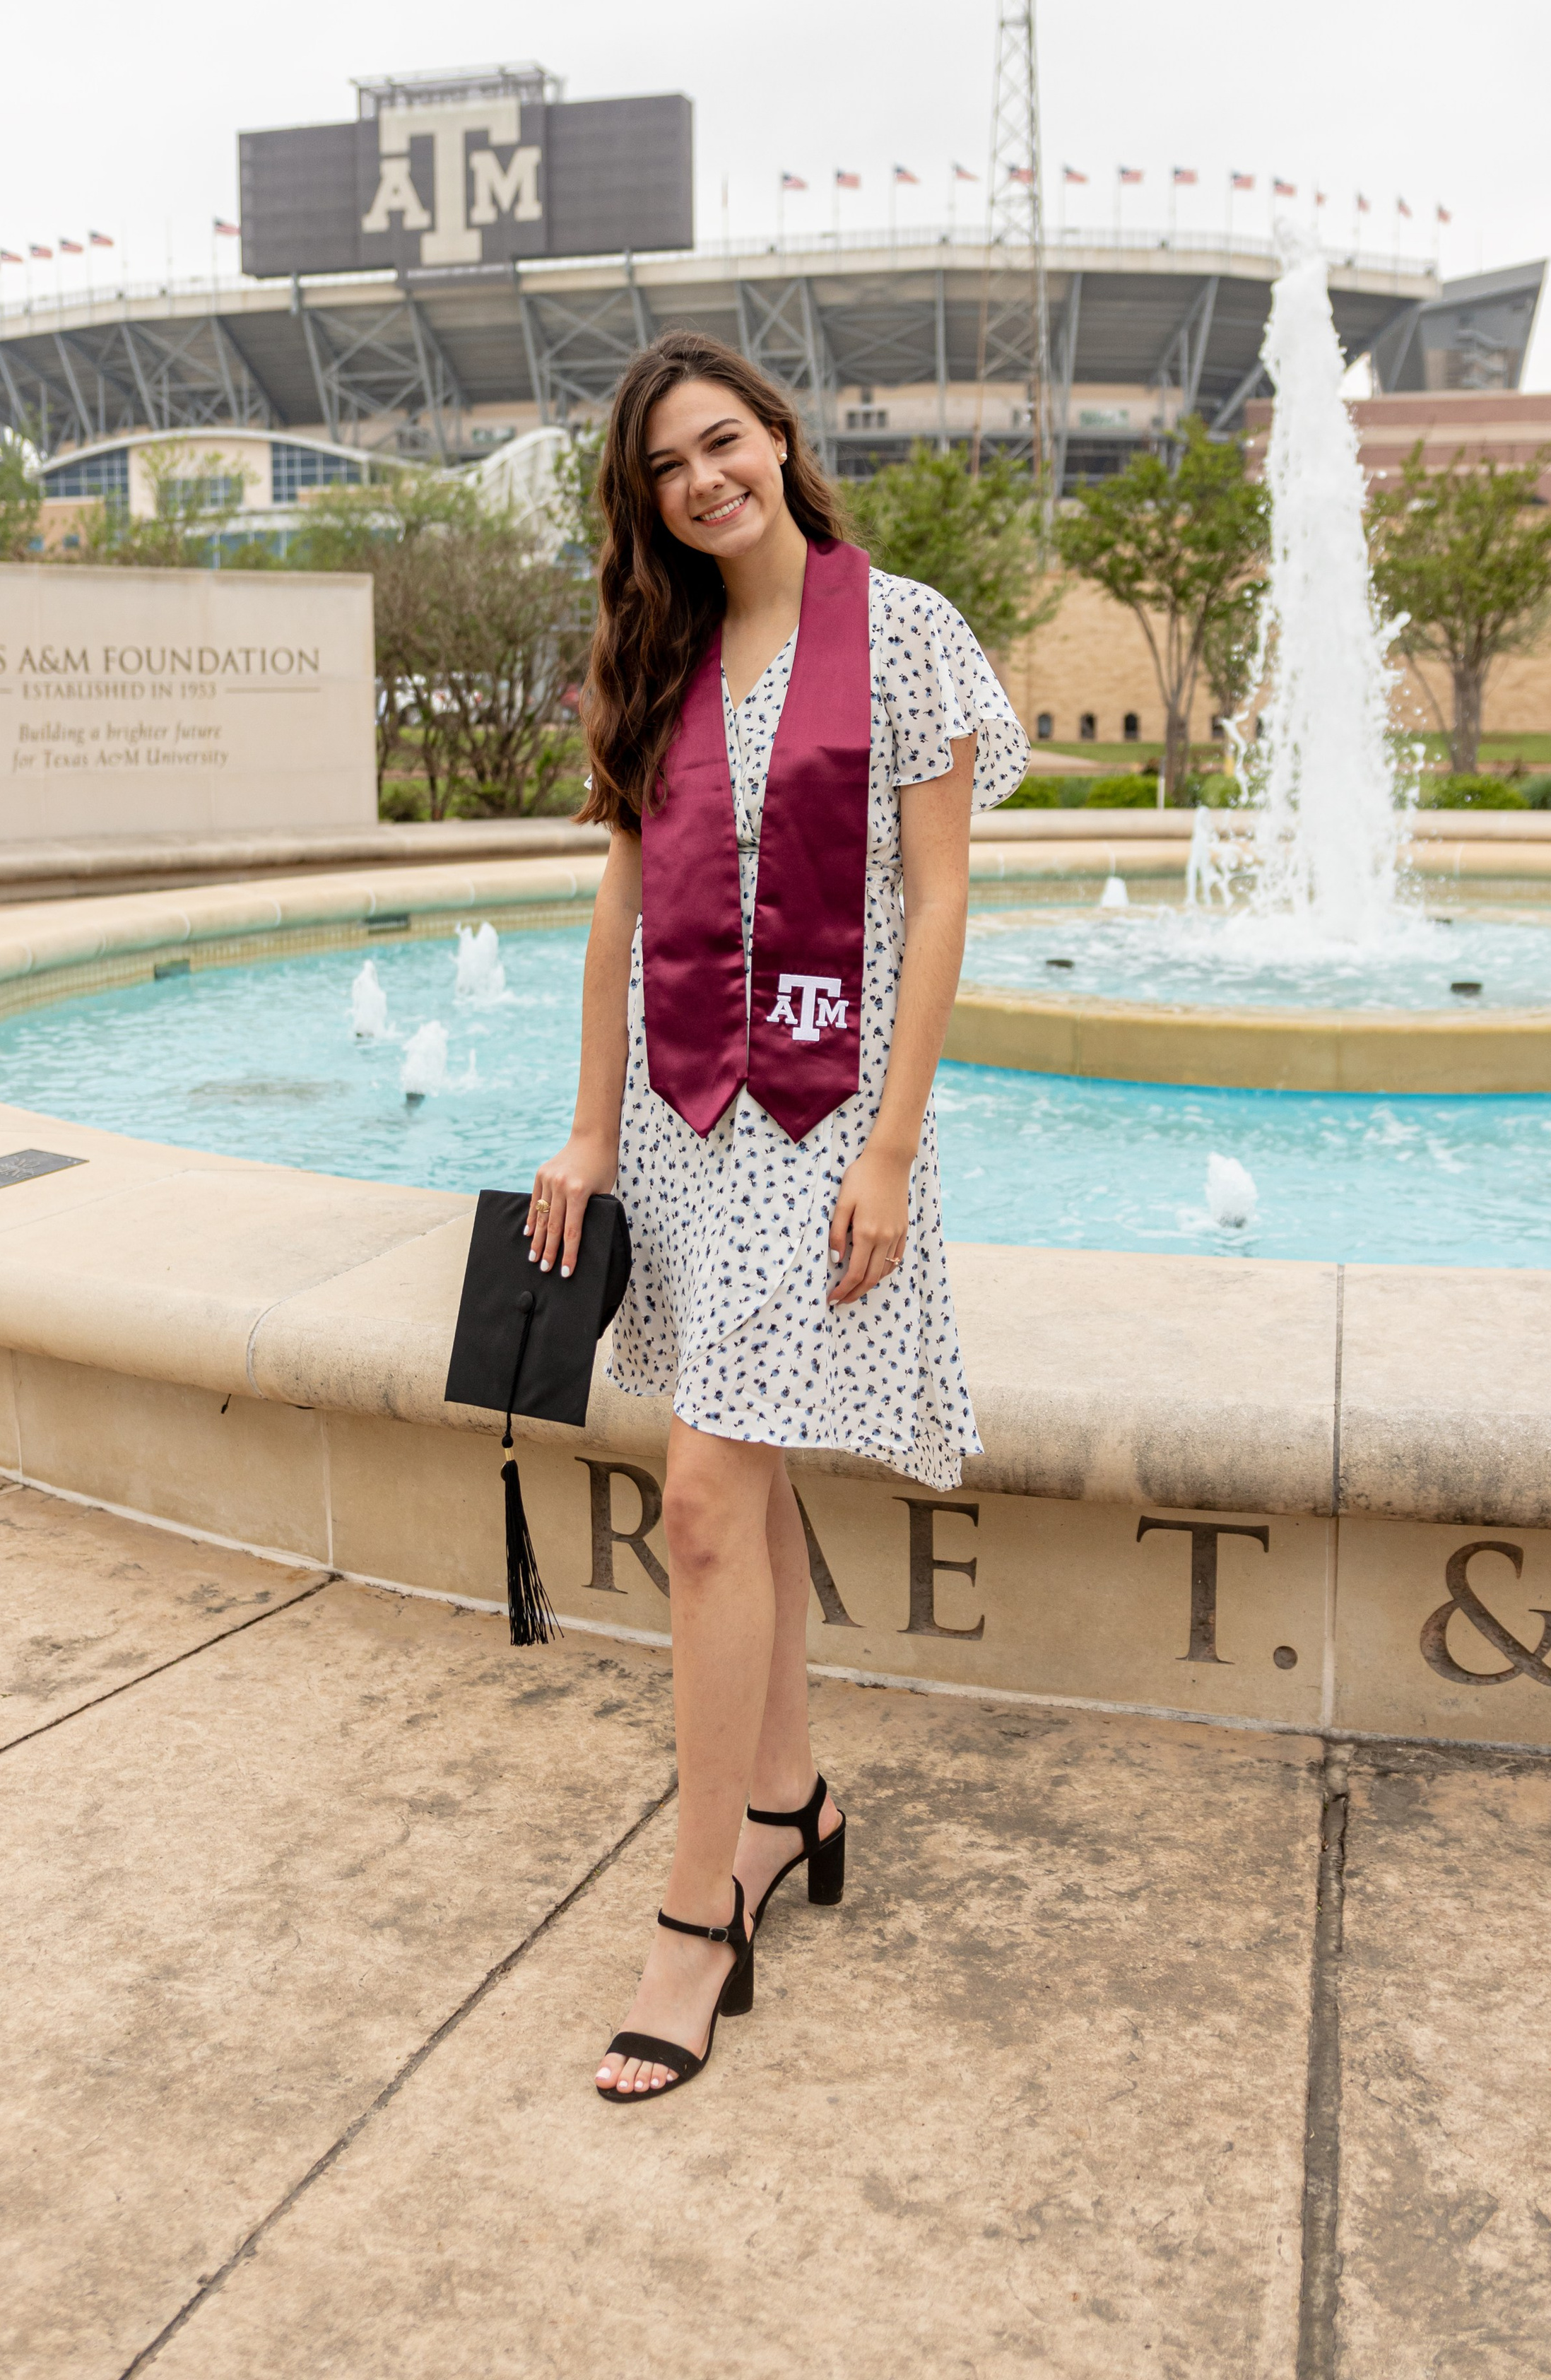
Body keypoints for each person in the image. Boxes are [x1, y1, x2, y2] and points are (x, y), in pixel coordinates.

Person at [525, 331, 1027, 2103]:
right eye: (664, 465)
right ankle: (786, 1806)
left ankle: (690, 1917)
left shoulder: (899, 631)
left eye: (718, 441)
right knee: (748, 1484)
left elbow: (944, 894)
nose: (698, 480)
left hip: (825, 1133)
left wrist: (893, 1143)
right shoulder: (655, 651)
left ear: (778, 438)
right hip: (679, 1129)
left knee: (704, 1495)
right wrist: (583, 1133)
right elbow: (612, 906)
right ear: (642, 495)